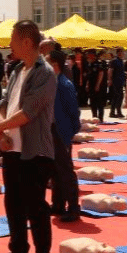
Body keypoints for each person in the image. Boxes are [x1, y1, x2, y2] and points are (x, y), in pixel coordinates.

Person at [0, 20, 57, 253]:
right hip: (12, 149)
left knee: (36, 209)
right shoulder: (17, 70)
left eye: (13, 40)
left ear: (27, 42)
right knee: (13, 206)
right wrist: (2, 130)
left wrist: (0, 127)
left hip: (34, 152)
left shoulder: (44, 73)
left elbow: (30, 111)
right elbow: (5, 102)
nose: (10, 45)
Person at [47, 49, 83, 222]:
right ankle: (58, 204)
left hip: (61, 131)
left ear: (55, 65)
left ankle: (73, 207)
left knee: (65, 170)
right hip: (52, 130)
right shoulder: (52, 82)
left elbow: (73, 111)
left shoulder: (63, 84)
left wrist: (70, 132)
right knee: (54, 170)